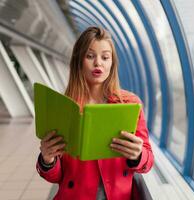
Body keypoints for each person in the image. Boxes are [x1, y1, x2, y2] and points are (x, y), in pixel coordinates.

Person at [36, 26, 154, 200]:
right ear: (78, 60)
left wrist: (138, 155)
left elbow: (148, 162)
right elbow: (56, 177)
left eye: (105, 57)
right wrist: (47, 160)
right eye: (90, 56)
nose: (98, 63)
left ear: (112, 63)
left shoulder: (129, 103)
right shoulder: (64, 107)